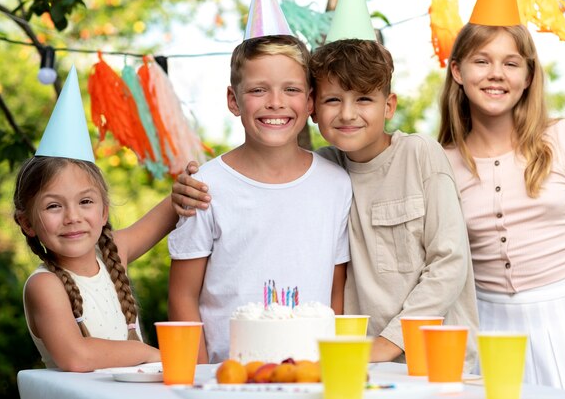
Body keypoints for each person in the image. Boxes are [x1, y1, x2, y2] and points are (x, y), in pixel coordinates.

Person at [172, 38, 479, 371]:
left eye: (363, 98)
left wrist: (387, 343)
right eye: (334, 99)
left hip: (433, 359)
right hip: (355, 363)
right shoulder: (328, 170)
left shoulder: (415, 156)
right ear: (315, 106)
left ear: (388, 106)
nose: (347, 113)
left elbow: (450, 263)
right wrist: (185, 189)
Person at [437, 17, 565, 395]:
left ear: (528, 76)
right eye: (481, 61)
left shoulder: (564, 140)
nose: (496, 74)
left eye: (511, 63)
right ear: (457, 71)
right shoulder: (441, 163)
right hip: (489, 338)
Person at [166, 34, 352, 364]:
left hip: (310, 375)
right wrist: (200, 375)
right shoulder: (205, 187)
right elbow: (183, 295)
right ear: (233, 100)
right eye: (258, 89)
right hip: (227, 376)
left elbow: (335, 291)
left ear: (310, 101)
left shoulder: (336, 184)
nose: (275, 102)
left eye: (291, 89)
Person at [14, 67, 181, 372]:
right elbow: (76, 356)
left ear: (104, 212)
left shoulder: (112, 252)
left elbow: (173, 207)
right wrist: (146, 353)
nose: (73, 217)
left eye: (86, 202)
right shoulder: (45, 285)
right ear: (26, 223)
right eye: (53, 206)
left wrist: (197, 181)